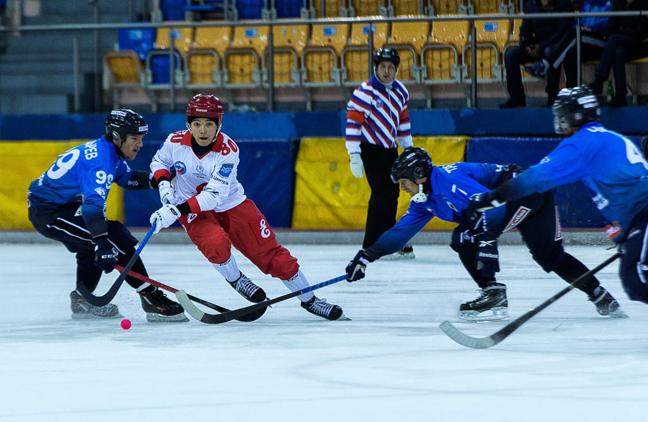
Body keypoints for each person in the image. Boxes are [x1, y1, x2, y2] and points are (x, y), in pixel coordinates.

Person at [467, 86, 648, 346]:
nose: (558, 119)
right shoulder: (605, 138)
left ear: (576, 115)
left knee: (639, 276)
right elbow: (623, 187)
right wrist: (623, 231)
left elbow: (533, 179)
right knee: (635, 280)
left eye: (562, 113)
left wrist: (490, 198)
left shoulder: (583, 144)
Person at [344, 147, 625, 321]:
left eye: (403, 182)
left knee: (465, 235)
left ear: (418, 175)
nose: (401, 189)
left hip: (525, 192)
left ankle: (492, 291)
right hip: (520, 196)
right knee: (549, 256)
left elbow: (489, 206)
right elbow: (400, 233)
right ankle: (601, 296)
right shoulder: (425, 200)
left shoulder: (448, 182)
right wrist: (366, 256)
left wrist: (488, 242)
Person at [148, 94, 346, 321]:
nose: (203, 130)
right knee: (216, 243)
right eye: (197, 124)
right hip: (193, 212)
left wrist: (175, 210)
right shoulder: (174, 142)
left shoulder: (228, 151)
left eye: (209, 124)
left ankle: (311, 300)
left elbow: (213, 196)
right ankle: (236, 279)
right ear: (188, 125)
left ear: (219, 125)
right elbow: (160, 162)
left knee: (272, 255)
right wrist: (163, 185)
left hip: (231, 205)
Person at [27, 109, 188, 322]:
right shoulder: (101, 161)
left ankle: (82, 300)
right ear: (117, 136)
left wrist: (156, 180)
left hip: (58, 206)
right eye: (134, 138)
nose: (139, 144)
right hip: (50, 212)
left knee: (91, 246)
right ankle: (150, 297)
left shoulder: (108, 151)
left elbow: (126, 178)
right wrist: (103, 243)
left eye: (141, 138)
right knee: (113, 236)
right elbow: (92, 207)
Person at [346, 47, 415, 259]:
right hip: (370, 150)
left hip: (390, 149)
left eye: (391, 67)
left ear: (396, 70)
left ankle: (390, 240)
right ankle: (372, 244)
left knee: (392, 193)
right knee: (381, 193)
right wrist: (354, 155)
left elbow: (402, 122)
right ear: (376, 68)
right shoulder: (364, 92)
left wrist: (408, 149)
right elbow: (353, 125)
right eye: (382, 67)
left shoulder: (401, 92)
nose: (386, 71)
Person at [503, 0, 578, 108]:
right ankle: (517, 98)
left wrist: (541, 46)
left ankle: (552, 97)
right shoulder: (531, 4)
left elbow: (562, 33)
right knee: (510, 54)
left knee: (550, 51)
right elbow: (525, 28)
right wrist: (526, 45)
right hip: (536, 45)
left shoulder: (563, 4)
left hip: (557, 46)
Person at [589, 0, 648, 106]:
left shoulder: (647, 3)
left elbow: (641, 32)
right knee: (618, 52)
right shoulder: (618, 3)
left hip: (643, 45)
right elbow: (611, 28)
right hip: (624, 43)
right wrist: (625, 32)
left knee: (613, 40)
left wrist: (622, 31)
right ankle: (621, 96)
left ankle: (599, 80)